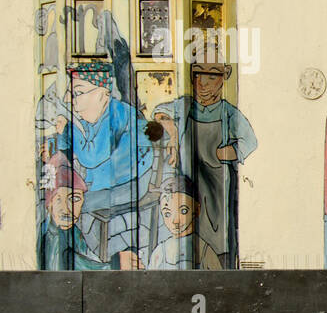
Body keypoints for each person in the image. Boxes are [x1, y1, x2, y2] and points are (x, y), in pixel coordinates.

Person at [43, 63, 153, 270]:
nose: (70, 100)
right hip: (104, 183)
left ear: (103, 94)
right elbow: (71, 151)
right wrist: (63, 134)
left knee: (70, 207)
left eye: (78, 93)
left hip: (127, 188)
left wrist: (69, 128)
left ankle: (91, 260)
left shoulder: (115, 115)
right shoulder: (96, 117)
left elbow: (91, 157)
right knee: (66, 203)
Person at [151, 61, 259, 267]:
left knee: (217, 230)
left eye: (212, 77)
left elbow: (250, 141)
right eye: (198, 76)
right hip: (189, 179)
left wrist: (224, 153)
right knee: (185, 221)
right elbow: (159, 112)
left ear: (222, 80)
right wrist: (173, 132)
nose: (203, 84)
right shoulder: (184, 105)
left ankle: (218, 265)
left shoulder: (227, 112)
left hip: (217, 182)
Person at [36, 159, 110, 271]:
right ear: (49, 204)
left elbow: (89, 258)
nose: (66, 209)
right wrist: (116, 264)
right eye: (58, 200)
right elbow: (82, 266)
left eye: (75, 199)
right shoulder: (52, 237)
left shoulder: (73, 231)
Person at [148, 175, 223, 271]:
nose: (175, 221)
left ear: (196, 209)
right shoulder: (160, 252)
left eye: (183, 211)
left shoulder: (204, 251)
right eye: (167, 213)